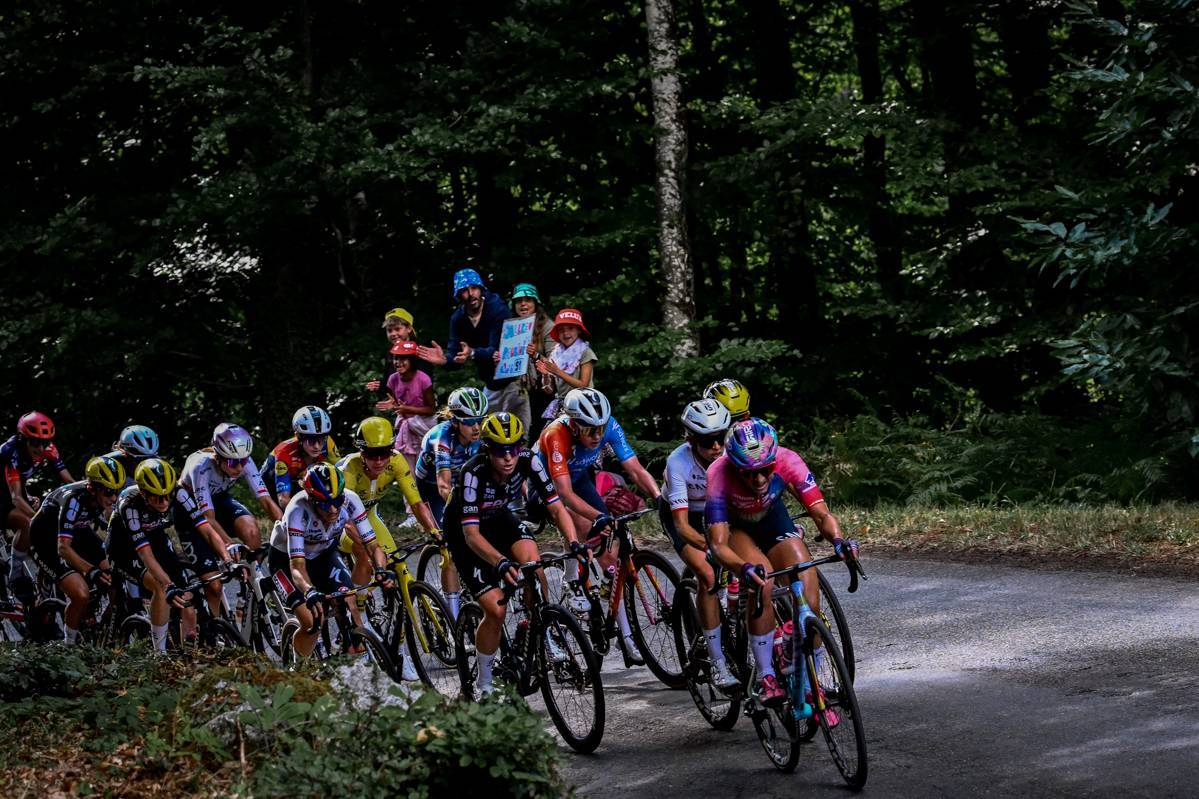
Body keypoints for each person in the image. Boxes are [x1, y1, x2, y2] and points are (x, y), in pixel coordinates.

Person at [705, 418, 858, 707]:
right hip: (736, 529)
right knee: (762, 580)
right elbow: (718, 544)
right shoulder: (719, 473)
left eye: (765, 470)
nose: (759, 480)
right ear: (734, 466)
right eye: (749, 474)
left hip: (772, 521)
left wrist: (839, 540)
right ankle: (766, 676)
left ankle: (812, 681)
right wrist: (742, 569)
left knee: (808, 589)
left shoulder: (788, 460)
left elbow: (821, 514)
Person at [443, 412, 584, 695]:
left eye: (513, 449)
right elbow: (471, 536)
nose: (508, 457)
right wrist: (499, 561)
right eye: (499, 450)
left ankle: (539, 629)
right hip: (465, 532)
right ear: (487, 449)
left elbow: (556, 507)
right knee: (496, 610)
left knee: (535, 569)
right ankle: (483, 684)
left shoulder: (528, 459)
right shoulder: (473, 472)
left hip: (498, 518)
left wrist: (573, 543)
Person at [532, 387, 661, 666]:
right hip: (544, 486)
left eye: (601, 428)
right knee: (581, 521)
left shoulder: (609, 425)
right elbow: (563, 494)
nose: (597, 436)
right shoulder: (557, 434)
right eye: (590, 430)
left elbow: (635, 469)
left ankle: (626, 635)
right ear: (574, 424)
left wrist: (660, 498)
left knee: (611, 554)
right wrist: (598, 516)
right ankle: (571, 580)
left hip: (577, 478)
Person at [336, 416, 460, 643]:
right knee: (365, 553)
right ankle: (360, 610)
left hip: (370, 516)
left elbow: (416, 503)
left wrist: (435, 533)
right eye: (373, 454)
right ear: (361, 451)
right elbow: (347, 521)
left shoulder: (396, 461)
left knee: (401, 571)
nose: (380, 460)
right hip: (344, 523)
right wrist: (371, 549)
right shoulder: (348, 470)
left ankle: (403, 646)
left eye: (385, 451)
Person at [267, 462, 393, 658]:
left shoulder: (350, 500)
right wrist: (309, 591)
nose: (333, 509)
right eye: (325, 504)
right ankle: (298, 670)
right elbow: (297, 567)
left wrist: (381, 570)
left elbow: (373, 546)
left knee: (349, 599)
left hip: (323, 554)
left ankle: (358, 656)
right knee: (312, 622)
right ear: (311, 499)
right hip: (286, 560)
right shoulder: (297, 510)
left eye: (337, 501)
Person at [657, 399, 738, 689]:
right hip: (684, 515)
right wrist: (715, 549)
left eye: (721, 438)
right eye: (708, 440)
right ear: (692, 440)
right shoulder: (678, 462)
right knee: (707, 575)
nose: (716, 446)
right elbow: (681, 526)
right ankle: (718, 664)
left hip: (717, 508)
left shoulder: (732, 452)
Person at [176, 423, 283, 616]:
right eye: (234, 463)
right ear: (218, 456)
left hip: (217, 499)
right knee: (214, 587)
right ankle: (216, 633)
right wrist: (230, 545)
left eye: (244, 461)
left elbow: (266, 501)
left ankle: (247, 597)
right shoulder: (200, 467)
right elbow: (208, 519)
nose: (240, 467)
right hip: (190, 511)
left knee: (251, 530)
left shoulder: (243, 461)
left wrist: (288, 530)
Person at [105, 459, 201, 651]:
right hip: (125, 549)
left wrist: (225, 554)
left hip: (155, 539)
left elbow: (204, 528)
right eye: (157, 497)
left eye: (167, 496)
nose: (164, 502)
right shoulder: (129, 504)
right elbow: (145, 555)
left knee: (187, 596)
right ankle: (160, 653)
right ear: (143, 493)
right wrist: (168, 585)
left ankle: (190, 656)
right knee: (161, 588)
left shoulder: (177, 492)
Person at [28, 456, 125, 644]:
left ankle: (101, 628)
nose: (113, 497)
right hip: (46, 538)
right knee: (81, 594)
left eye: (116, 491)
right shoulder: (74, 500)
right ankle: (69, 645)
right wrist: (91, 570)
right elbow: (63, 548)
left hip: (77, 530)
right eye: (108, 492)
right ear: (93, 488)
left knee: (113, 577)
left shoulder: (101, 497)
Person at [416, 269, 520, 418]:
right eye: (464, 291)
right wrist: (445, 360)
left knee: (520, 430)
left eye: (474, 288)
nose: (471, 294)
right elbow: (457, 358)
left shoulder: (498, 309)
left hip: (514, 380)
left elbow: (498, 350)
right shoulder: (458, 319)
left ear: (481, 290)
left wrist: (472, 353)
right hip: (490, 382)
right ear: (458, 296)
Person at [2, 411, 74, 603]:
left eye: (45, 442)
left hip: (15, 489)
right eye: (35, 442)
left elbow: (67, 480)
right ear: (22, 438)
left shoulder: (49, 448)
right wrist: (37, 517)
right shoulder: (11, 451)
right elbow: (16, 498)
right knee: (28, 522)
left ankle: (44, 582)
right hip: (6, 496)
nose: (41, 447)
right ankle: (15, 575)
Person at [413, 387, 488, 524]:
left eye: (480, 420)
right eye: (470, 422)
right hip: (432, 485)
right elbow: (443, 487)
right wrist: (467, 512)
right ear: (455, 421)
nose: (476, 427)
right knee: (446, 532)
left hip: (459, 478)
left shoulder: (482, 431)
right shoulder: (442, 438)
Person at [499, 282, 553, 439]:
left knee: (538, 435)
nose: (523, 304)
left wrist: (535, 354)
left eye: (528, 300)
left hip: (542, 391)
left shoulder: (548, 327)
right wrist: (498, 359)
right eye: (519, 300)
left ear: (535, 303)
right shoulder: (509, 327)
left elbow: (556, 363)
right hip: (516, 388)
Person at [378, 340, 437, 481]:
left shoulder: (423, 379)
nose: (398, 362)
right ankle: (411, 502)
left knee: (427, 469)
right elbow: (396, 401)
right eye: (396, 358)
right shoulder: (393, 379)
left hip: (423, 427)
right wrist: (394, 405)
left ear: (412, 360)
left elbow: (432, 409)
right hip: (405, 428)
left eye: (403, 358)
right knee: (408, 473)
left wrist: (407, 409)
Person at [262, 406, 340, 508]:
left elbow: (340, 473)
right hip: (271, 484)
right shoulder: (284, 453)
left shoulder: (328, 442)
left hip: (299, 475)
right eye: (311, 440)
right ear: (298, 437)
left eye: (321, 440)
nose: (317, 446)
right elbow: (283, 500)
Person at [536, 308, 597, 421]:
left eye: (570, 328)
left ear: (579, 330)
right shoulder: (555, 353)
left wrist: (557, 372)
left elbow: (584, 385)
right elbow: (549, 390)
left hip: (583, 403)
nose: (565, 333)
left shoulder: (586, 352)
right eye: (561, 329)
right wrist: (545, 375)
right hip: (562, 405)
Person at [365, 308, 431, 396]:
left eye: (397, 329)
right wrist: (380, 386)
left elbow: (425, 383)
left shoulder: (420, 350)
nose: (393, 333)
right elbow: (391, 385)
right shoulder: (390, 353)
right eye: (389, 330)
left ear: (409, 329)